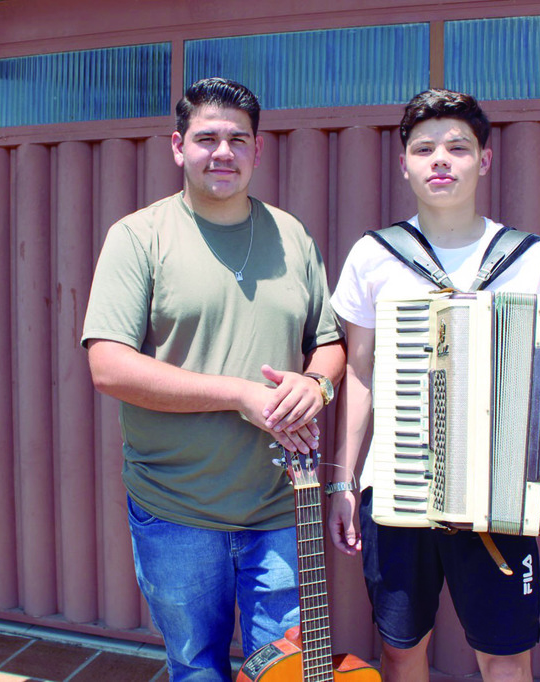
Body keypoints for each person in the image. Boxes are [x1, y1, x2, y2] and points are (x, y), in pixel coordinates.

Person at [326, 89, 540, 682]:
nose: (440, 160)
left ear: (483, 160)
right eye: (424, 148)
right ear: (404, 162)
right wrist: (343, 480)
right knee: (402, 647)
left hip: (499, 498)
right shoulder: (374, 255)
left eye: (458, 147)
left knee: (506, 654)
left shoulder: (529, 259)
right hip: (396, 489)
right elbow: (359, 370)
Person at [81, 77, 345, 681]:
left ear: (259, 150)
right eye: (207, 138)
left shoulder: (292, 235)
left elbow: (328, 343)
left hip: (282, 503)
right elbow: (108, 365)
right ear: (178, 147)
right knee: (197, 666)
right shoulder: (138, 237)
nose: (222, 152)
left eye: (237, 139)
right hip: (177, 507)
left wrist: (318, 385)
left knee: (286, 672)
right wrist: (239, 395)